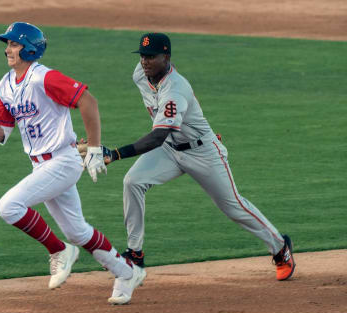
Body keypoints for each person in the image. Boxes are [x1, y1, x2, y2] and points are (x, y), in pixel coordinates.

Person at [0, 22, 146, 304]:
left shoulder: (43, 78)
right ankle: (127, 272)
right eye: (7, 44)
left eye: (13, 44)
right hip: (40, 165)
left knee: (9, 206)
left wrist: (94, 148)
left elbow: (88, 101)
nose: (7, 49)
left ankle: (58, 251)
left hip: (63, 161)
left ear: (29, 48)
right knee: (77, 230)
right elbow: (1, 133)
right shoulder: (6, 84)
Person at [102, 32, 295, 281]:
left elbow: (157, 136)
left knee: (233, 207)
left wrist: (116, 154)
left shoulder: (176, 89)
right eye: (142, 56)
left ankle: (280, 248)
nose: (145, 61)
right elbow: (163, 136)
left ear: (167, 57)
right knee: (133, 182)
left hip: (203, 152)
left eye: (151, 57)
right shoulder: (140, 75)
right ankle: (135, 253)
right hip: (171, 149)